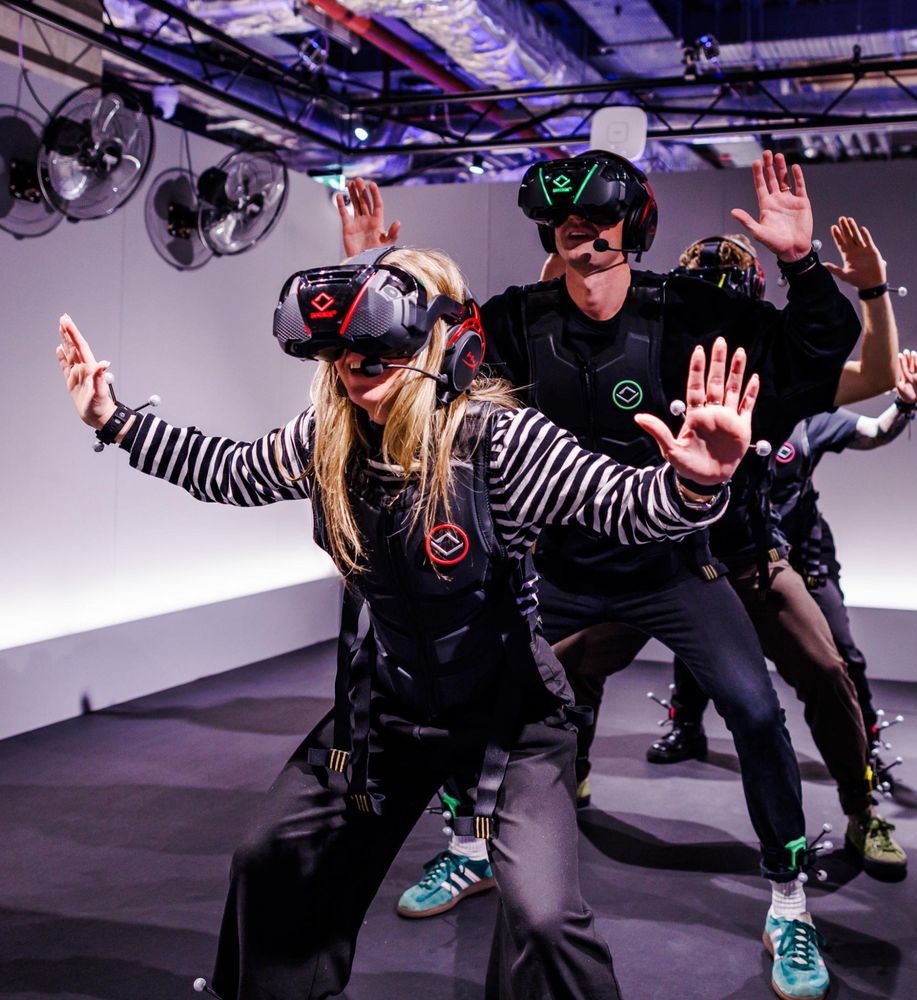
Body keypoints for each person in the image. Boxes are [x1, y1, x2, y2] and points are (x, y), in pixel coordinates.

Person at [56, 246, 758, 1000]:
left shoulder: (499, 440)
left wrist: (693, 485)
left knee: (547, 920)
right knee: (271, 857)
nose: (357, 365)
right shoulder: (327, 439)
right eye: (344, 350)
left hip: (510, 715)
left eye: (380, 342)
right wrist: (114, 421)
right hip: (386, 714)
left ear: (445, 341)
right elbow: (226, 470)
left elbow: (618, 503)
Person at [339, 150, 861, 1000]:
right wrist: (370, 268)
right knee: (469, 697)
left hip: (673, 566)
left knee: (756, 710)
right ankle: (472, 846)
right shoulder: (515, 323)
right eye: (565, 223)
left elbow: (818, 350)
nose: (581, 235)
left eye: (598, 220)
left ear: (634, 227)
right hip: (557, 571)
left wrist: (801, 263)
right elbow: (411, 354)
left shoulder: (688, 313)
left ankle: (788, 902)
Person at [648, 221, 912, 880]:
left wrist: (873, 290)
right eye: (700, 293)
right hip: (650, 557)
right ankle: (548, 789)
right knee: (567, 662)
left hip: (746, 559)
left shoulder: (777, 370)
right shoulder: (643, 351)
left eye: (726, 295)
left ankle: (862, 809)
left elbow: (877, 376)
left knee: (827, 670)